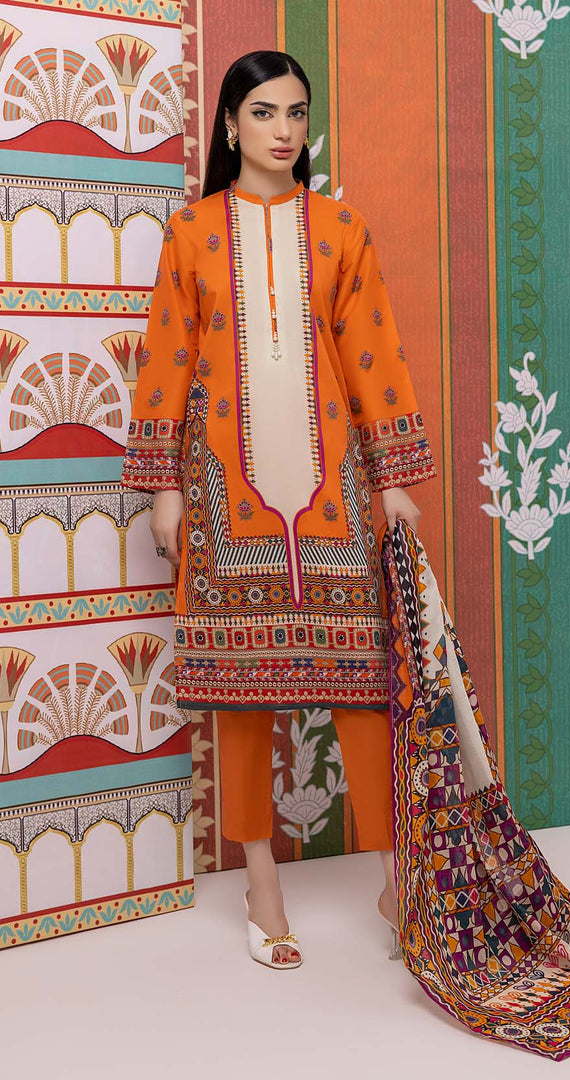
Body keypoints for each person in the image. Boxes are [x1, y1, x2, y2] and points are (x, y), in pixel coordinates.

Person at [121, 50, 436, 969]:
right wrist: (165, 487)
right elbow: (168, 359)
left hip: (332, 490)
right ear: (230, 124)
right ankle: (261, 882)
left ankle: (396, 878)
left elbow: (373, 350)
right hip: (226, 493)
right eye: (263, 112)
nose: (284, 129)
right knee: (242, 693)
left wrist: (393, 476)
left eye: (296, 112)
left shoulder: (340, 229)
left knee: (365, 691)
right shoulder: (192, 233)